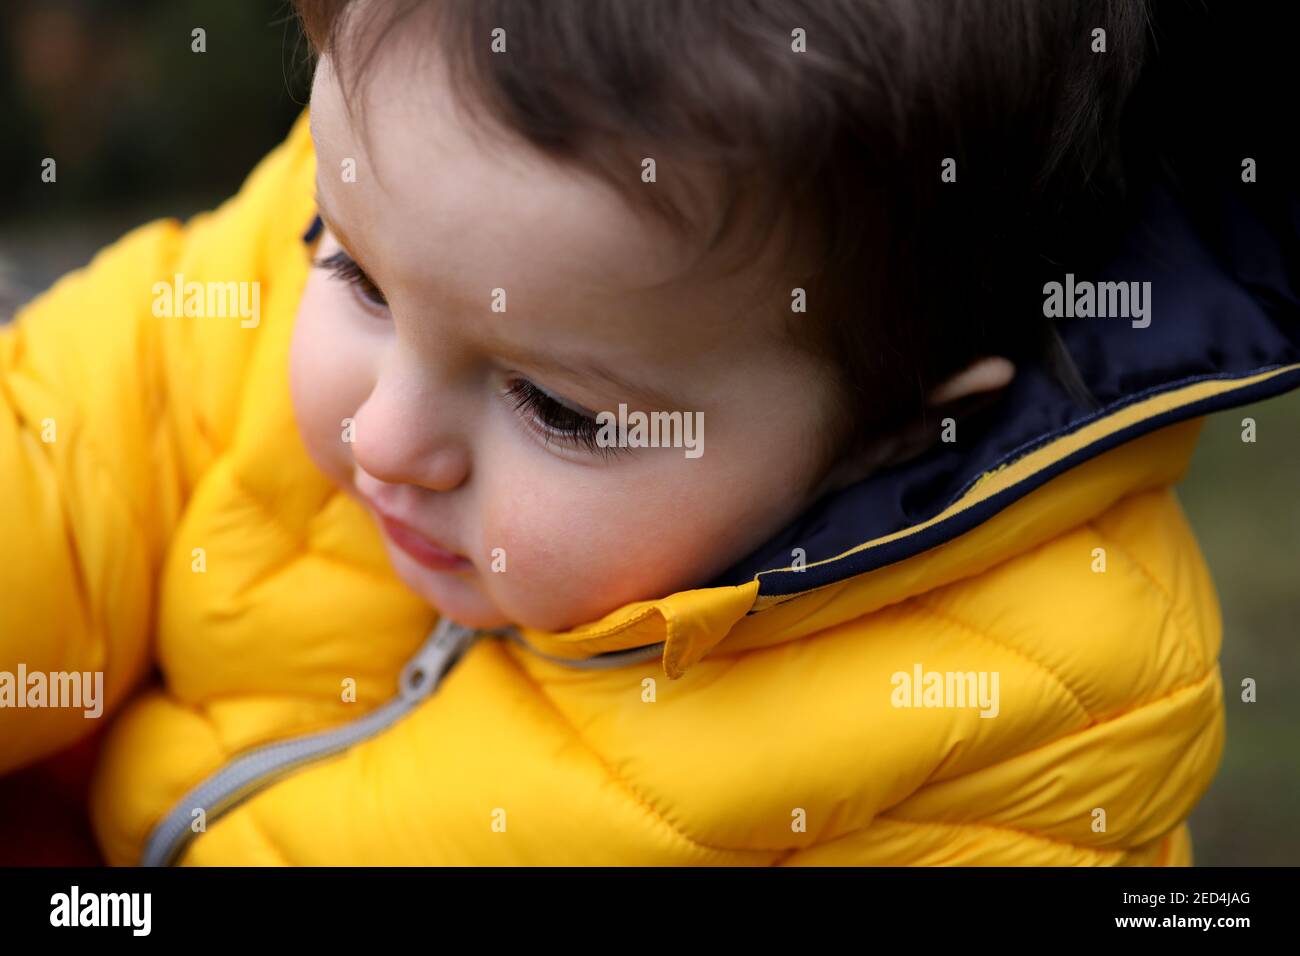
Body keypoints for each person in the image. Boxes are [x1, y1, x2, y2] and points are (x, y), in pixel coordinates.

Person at [2, 0, 1297, 865]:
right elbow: (56, 465)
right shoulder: (408, 204)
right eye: (351, 275)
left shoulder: (1033, 729)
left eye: (558, 407)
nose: (385, 437)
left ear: (899, 433)